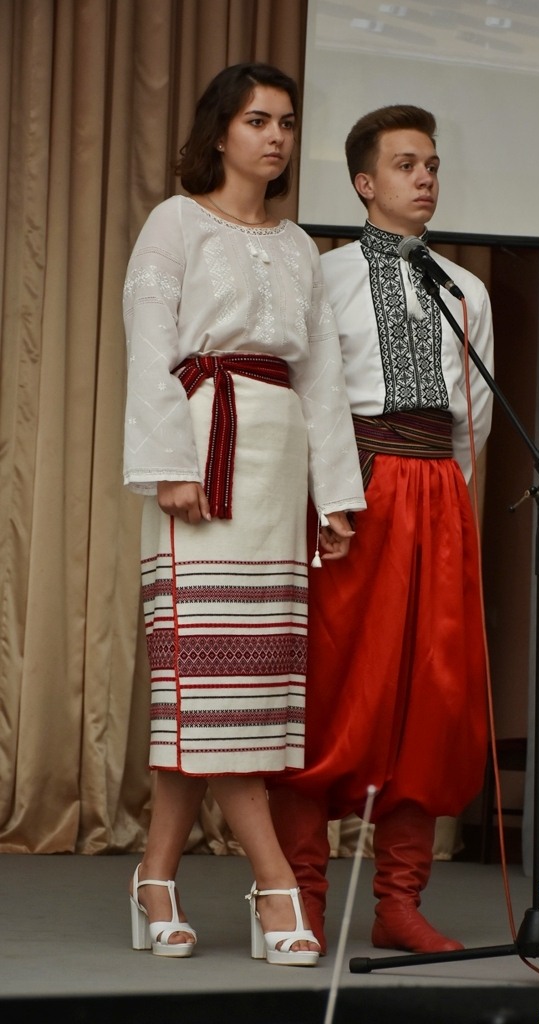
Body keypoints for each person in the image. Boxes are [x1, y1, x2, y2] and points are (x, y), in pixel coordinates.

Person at [122, 62, 366, 965]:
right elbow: (149, 343)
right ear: (219, 131)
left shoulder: (299, 244)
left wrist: (333, 494)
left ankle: (154, 877)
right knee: (209, 684)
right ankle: (274, 881)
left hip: (277, 461)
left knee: (237, 693)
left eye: (287, 123)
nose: (275, 137)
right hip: (203, 449)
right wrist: (168, 464)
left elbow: (323, 377)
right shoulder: (175, 221)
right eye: (258, 120)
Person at [268, 105, 494, 955]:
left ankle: (398, 903)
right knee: (332, 690)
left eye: (431, 164)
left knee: (430, 695)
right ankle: (302, 896)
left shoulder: (465, 289)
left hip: (436, 496)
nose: (425, 178)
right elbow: (305, 394)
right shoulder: (322, 276)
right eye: (406, 165)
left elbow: (473, 416)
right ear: (364, 183)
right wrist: (331, 494)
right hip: (351, 491)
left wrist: (445, 504)